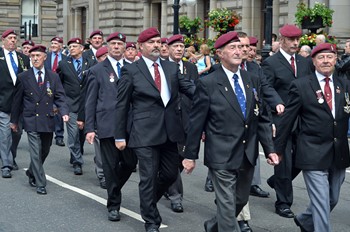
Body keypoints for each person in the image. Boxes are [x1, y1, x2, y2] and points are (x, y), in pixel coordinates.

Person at [182, 31, 280, 232]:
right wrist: (190, 155)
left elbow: (259, 117)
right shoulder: (208, 83)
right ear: (220, 53)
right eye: (233, 47)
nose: (239, 51)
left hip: (247, 152)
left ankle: (214, 226)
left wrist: (269, 149)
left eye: (240, 47)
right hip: (221, 152)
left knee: (240, 199)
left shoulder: (251, 78)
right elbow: (196, 122)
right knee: (226, 204)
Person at [114, 27, 195, 232]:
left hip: (170, 131)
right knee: (148, 177)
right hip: (144, 132)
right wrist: (119, 135)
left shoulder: (170, 67)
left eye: (158, 41)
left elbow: (189, 88)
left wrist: (213, 97)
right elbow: (121, 104)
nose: (156, 45)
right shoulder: (131, 70)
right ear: (141, 46)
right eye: (151, 42)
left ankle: (148, 201)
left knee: (169, 175)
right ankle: (151, 220)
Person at [274, 43, 350, 232]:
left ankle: (306, 220)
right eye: (321, 57)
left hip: (339, 151)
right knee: (322, 201)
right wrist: (276, 149)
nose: (326, 61)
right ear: (313, 61)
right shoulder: (301, 85)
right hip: (312, 151)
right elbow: (287, 120)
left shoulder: (344, 83)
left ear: (335, 60)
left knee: (332, 198)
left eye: (330, 57)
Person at [262, 24, 312, 218]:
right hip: (281, 119)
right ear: (281, 40)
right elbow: (266, 91)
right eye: (291, 40)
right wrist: (270, 119)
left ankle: (277, 181)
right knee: (283, 161)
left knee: (303, 158)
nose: (295, 43)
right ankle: (283, 202)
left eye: (298, 39)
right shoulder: (271, 63)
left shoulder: (305, 62)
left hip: (303, 119)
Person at [85, 31, 137, 221]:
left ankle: (113, 187)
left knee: (130, 163)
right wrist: (90, 128)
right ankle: (113, 204)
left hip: (130, 126)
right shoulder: (97, 70)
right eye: (113, 44)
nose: (116, 47)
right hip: (107, 125)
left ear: (125, 47)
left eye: (120, 44)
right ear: (107, 46)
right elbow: (90, 101)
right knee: (110, 166)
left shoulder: (133, 69)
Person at [10, 45, 69, 195]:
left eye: (38, 55)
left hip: (48, 119)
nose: (35, 58)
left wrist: (64, 112)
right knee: (35, 151)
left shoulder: (53, 77)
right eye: (32, 56)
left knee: (45, 149)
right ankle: (40, 183)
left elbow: (60, 96)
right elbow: (17, 101)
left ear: (45, 57)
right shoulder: (23, 77)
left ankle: (31, 171)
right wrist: (14, 121)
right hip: (31, 119)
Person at [164, 34, 199, 213]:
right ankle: (176, 197)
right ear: (168, 48)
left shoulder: (190, 68)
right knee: (172, 156)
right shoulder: (163, 66)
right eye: (175, 46)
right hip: (169, 120)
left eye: (181, 46)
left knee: (180, 158)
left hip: (188, 119)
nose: (179, 49)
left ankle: (165, 181)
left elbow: (197, 93)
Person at [57, 37, 97, 175]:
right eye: (70, 47)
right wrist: (60, 102)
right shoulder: (63, 64)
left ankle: (75, 154)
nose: (72, 48)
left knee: (81, 134)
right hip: (71, 104)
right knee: (73, 135)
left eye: (75, 46)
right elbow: (58, 83)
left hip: (87, 104)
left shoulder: (91, 62)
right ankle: (77, 162)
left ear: (81, 49)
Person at [0, 29, 30, 178]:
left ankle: (11, 156)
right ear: (3, 40)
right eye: (10, 38)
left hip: (20, 105)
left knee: (17, 132)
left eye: (14, 38)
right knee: (5, 133)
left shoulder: (23, 58)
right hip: (3, 103)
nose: (12, 41)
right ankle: (6, 164)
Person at [44, 36, 68, 147]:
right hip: (45, 87)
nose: (53, 45)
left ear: (61, 46)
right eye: (52, 43)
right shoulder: (46, 57)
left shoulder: (65, 58)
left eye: (56, 44)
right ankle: (46, 132)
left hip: (60, 87)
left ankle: (59, 136)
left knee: (58, 112)